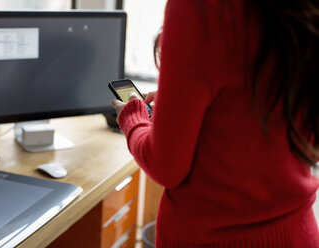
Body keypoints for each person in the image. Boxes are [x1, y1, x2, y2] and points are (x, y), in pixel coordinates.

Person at [112, 0, 319, 247]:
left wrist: (133, 117)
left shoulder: (199, 7)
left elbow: (165, 165)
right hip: (296, 234)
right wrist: (183, 103)